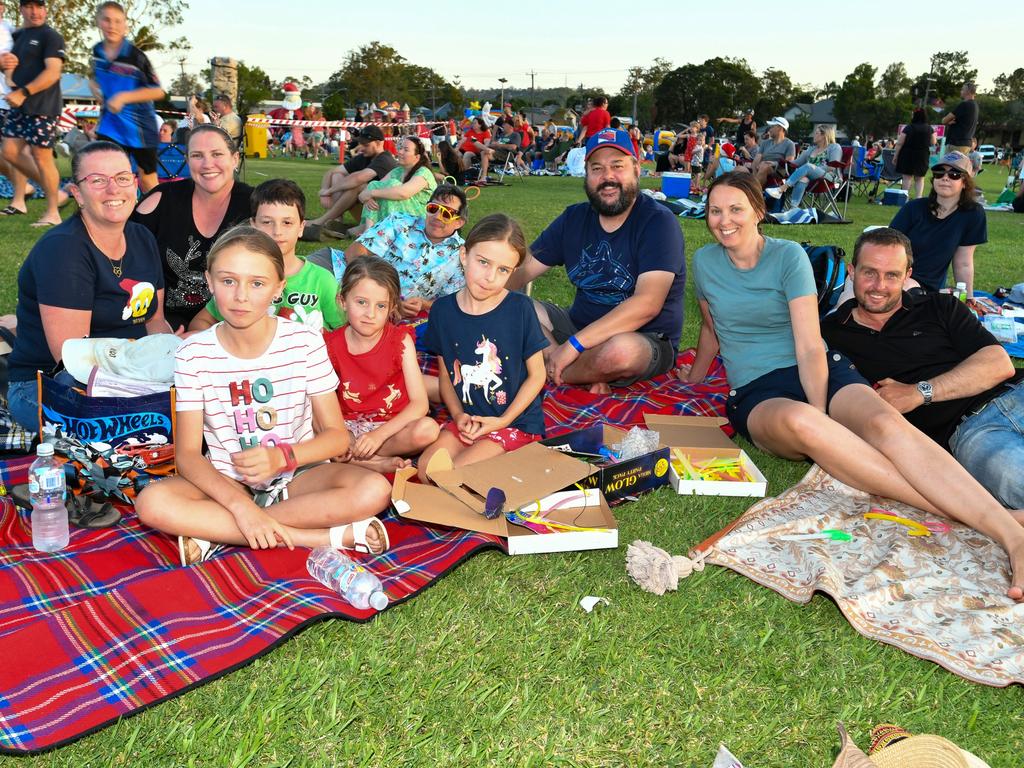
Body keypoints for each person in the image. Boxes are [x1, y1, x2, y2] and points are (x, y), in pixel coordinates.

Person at [680, 172, 1024, 600]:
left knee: (884, 423)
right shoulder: (705, 261)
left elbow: (809, 346)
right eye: (715, 210)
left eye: (736, 209)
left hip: (819, 366)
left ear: (758, 211)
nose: (724, 220)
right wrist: (695, 375)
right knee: (805, 423)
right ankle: (997, 519)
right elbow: (713, 327)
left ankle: (1010, 536)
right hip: (756, 390)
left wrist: (828, 411)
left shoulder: (788, 256)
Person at [136, 227, 392, 566]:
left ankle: (217, 532)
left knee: (375, 490)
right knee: (151, 503)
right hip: (228, 481)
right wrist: (241, 506)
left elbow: (336, 437)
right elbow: (187, 455)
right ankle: (314, 537)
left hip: (299, 476)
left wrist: (281, 458)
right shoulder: (192, 353)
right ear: (209, 283)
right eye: (228, 281)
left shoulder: (305, 342)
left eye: (257, 283)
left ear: (278, 288)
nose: (241, 295)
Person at [821, 227, 1024, 511]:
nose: (879, 285)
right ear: (852, 271)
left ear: (907, 276)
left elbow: (999, 364)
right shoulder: (831, 335)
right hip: (971, 431)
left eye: (892, 275)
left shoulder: (939, 306)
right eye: (869, 272)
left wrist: (919, 392)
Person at [6, 141, 175, 429]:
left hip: (132, 374)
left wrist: (171, 355)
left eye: (122, 178)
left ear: (134, 185)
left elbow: (154, 321)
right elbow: (72, 360)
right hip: (51, 386)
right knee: (149, 432)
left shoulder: (142, 238)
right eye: (97, 180)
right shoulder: (64, 250)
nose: (113, 189)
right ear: (77, 193)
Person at [510, 128, 686, 394]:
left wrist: (573, 347)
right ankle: (576, 372)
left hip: (643, 338)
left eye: (618, 166)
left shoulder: (658, 222)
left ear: (637, 169)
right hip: (576, 326)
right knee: (511, 305)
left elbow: (647, 304)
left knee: (621, 353)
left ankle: (557, 369)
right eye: (597, 169)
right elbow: (522, 271)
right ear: (587, 174)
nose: (608, 177)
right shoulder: (573, 219)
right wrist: (485, 286)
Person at [417, 214, 548, 481]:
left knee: (455, 475)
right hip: (469, 420)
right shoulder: (442, 310)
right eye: (483, 262)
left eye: (503, 270)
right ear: (464, 255)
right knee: (426, 470)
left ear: (513, 272)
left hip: (514, 422)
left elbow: (538, 375)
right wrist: (458, 415)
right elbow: (447, 375)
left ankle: (513, 460)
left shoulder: (520, 309)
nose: (490, 277)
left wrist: (502, 421)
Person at [132, 124, 253, 330]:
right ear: (187, 161)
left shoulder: (255, 204)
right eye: (197, 155)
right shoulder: (161, 200)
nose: (207, 164)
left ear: (235, 159)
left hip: (233, 320)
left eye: (217, 154)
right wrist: (156, 322)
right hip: (163, 318)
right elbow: (128, 258)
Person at [324, 256, 439, 473]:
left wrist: (379, 435)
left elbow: (419, 404)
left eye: (381, 306)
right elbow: (324, 405)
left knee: (428, 430)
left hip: (392, 427)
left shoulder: (400, 340)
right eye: (361, 302)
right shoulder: (330, 345)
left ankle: (365, 459)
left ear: (392, 307)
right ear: (342, 300)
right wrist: (341, 434)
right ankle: (373, 462)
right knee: (319, 430)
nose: (370, 314)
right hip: (347, 427)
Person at [188, 178, 343, 333]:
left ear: (301, 227)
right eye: (267, 222)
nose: (277, 231)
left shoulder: (322, 280)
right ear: (253, 225)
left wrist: (324, 343)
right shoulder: (240, 278)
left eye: (287, 223)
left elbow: (346, 331)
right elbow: (201, 321)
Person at [338, 184, 468, 319]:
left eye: (446, 213)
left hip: (398, 317)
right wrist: (375, 292)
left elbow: (453, 302)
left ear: (459, 222)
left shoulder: (461, 255)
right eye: (433, 208)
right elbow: (354, 251)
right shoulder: (399, 222)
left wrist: (423, 304)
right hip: (352, 284)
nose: (437, 216)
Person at [1, 0, 65, 228]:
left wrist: (25, 92)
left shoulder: (51, 36)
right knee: (8, 151)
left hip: (43, 105)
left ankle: (53, 212)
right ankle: (54, 192)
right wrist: (5, 70)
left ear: (45, 9)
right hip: (19, 105)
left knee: (42, 158)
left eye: (39, 6)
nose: (35, 11)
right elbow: (9, 65)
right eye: (29, 6)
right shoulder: (17, 37)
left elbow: (53, 72)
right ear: (21, 9)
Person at [89, 1, 165, 194]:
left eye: (117, 21)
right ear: (98, 21)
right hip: (111, 125)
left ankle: (157, 218)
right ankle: (112, 214)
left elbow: (158, 91)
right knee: (105, 171)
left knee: (147, 178)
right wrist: (94, 87)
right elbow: (96, 79)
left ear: (125, 25)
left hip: (140, 127)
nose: (112, 25)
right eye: (106, 20)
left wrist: (123, 97)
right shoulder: (97, 52)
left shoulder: (136, 56)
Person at [889, 151, 985, 297]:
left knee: (906, 290)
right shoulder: (913, 208)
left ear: (965, 182)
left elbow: (963, 262)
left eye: (954, 174)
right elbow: (887, 246)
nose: (945, 178)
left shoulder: (973, 214)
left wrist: (969, 297)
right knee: (856, 285)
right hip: (892, 273)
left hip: (923, 287)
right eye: (939, 173)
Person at [305, 125, 396, 239]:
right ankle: (335, 220)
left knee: (358, 185)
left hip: (381, 212)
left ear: (378, 143)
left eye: (366, 145)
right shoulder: (365, 157)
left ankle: (323, 221)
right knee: (337, 175)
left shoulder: (385, 159)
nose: (361, 148)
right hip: (368, 207)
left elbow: (358, 178)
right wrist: (324, 190)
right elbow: (332, 172)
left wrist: (329, 190)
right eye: (361, 144)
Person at [351, 136, 436, 237]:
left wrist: (371, 193)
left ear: (417, 157)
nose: (400, 152)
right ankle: (368, 230)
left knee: (392, 186)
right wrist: (368, 197)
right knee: (374, 184)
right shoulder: (397, 171)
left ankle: (371, 232)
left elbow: (403, 193)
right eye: (400, 148)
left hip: (424, 219)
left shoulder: (423, 172)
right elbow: (369, 190)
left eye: (406, 150)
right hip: (403, 217)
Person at [765, 124, 841, 208]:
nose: (813, 135)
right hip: (809, 177)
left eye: (816, 133)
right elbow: (795, 163)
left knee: (808, 166)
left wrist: (813, 168)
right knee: (803, 179)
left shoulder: (834, 147)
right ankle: (793, 209)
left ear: (824, 135)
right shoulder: (812, 149)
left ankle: (780, 189)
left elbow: (832, 166)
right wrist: (776, 163)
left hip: (828, 177)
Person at [893, 108, 935, 199]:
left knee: (907, 177)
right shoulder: (929, 128)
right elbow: (933, 142)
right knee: (920, 178)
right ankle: (918, 197)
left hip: (908, 154)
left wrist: (895, 156)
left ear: (915, 116)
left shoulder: (908, 127)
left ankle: (904, 198)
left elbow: (900, 143)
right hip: (922, 155)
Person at [750, 117, 796, 188]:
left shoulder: (789, 144)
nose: (769, 129)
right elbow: (756, 160)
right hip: (762, 166)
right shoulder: (765, 143)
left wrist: (774, 163)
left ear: (780, 128)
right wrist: (754, 174)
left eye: (772, 127)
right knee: (740, 169)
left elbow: (789, 164)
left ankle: (753, 193)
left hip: (782, 171)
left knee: (764, 166)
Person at [942, 82, 978, 154]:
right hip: (967, 143)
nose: (960, 91)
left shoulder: (965, 104)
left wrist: (948, 121)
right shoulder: (975, 106)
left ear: (968, 91)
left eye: (962, 89)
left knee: (949, 165)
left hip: (956, 144)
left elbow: (944, 120)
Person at [457, 117, 493, 185]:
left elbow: (486, 144)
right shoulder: (470, 131)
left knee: (467, 154)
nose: (473, 124)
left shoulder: (485, 132)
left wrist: (480, 146)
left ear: (480, 125)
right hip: (464, 149)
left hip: (475, 152)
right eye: (472, 123)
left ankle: (462, 174)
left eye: (475, 123)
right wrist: (456, 149)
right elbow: (462, 141)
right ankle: (452, 173)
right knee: (455, 154)